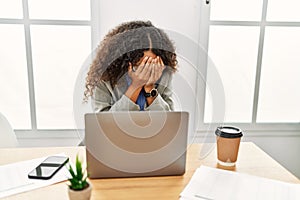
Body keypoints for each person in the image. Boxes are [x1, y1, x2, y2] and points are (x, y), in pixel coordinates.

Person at [84, 20, 178, 112]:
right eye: (141, 65)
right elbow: (103, 122)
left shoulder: (164, 74)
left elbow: (168, 121)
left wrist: (150, 88)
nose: (146, 71)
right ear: (125, 60)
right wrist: (135, 86)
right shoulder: (104, 76)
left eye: (151, 64)